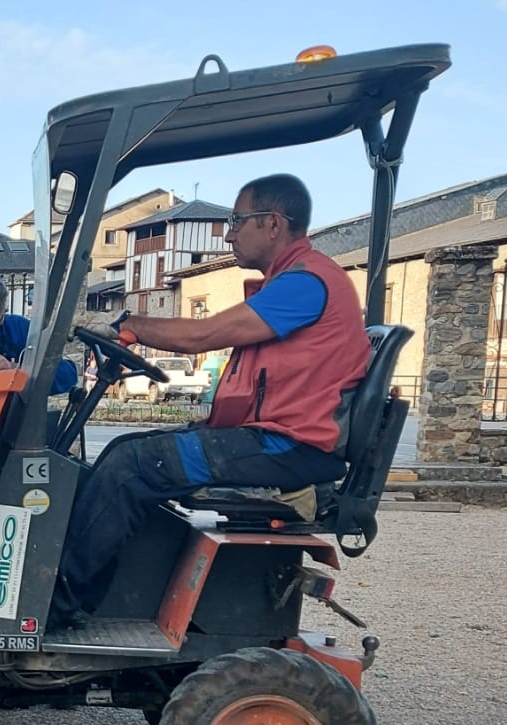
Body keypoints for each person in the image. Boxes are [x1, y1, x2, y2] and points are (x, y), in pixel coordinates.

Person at [54, 174, 370, 622]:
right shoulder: (296, 281)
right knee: (124, 450)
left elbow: (206, 333)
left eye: (238, 221)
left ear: (274, 223)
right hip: (271, 440)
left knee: (133, 466)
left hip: (285, 448)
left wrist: (133, 325)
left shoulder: (306, 284)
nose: (229, 232)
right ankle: (92, 593)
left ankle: (56, 602)